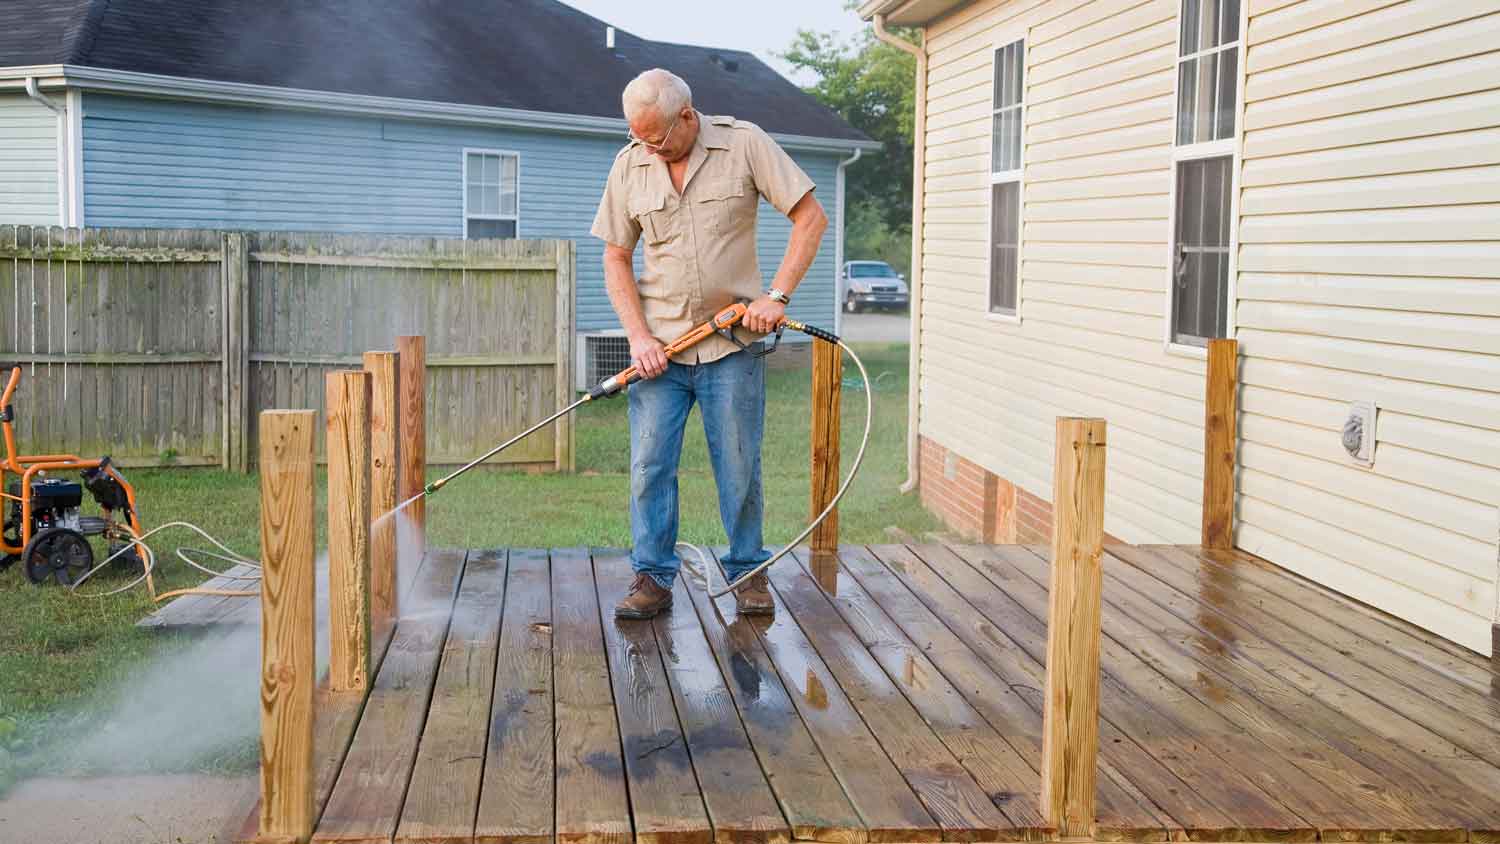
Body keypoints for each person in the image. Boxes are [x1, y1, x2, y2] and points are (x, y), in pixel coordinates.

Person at [591, 68, 827, 619]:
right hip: (660, 355)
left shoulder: (744, 144)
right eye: (637, 136)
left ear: (687, 117)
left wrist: (778, 296)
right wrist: (638, 336)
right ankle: (651, 577)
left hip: (732, 346)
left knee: (740, 466)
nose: (645, 147)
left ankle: (748, 573)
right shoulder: (630, 164)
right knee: (649, 466)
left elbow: (809, 218)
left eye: (655, 136)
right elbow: (615, 257)